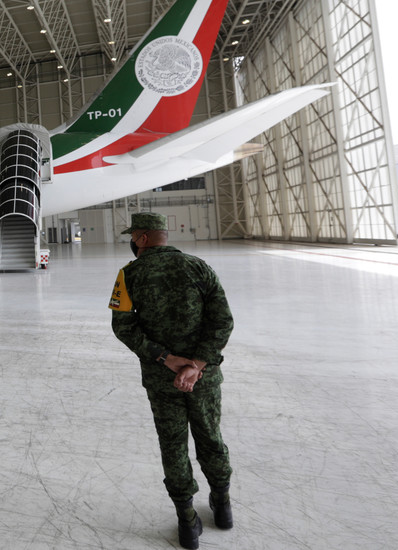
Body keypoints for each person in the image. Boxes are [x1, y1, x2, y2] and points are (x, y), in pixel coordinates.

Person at [107, 212, 234, 550]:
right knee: (210, 437)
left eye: (133, 236)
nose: (132, 243)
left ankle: (187, 521)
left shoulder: (128, 275)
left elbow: (123, 327)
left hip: (162, 381)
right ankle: (222, 505)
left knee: (173, 445)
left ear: (143, 238)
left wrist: (167, 359)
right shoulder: (199, 267)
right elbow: (222, 321)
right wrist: (197, 364)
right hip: (203, 379)